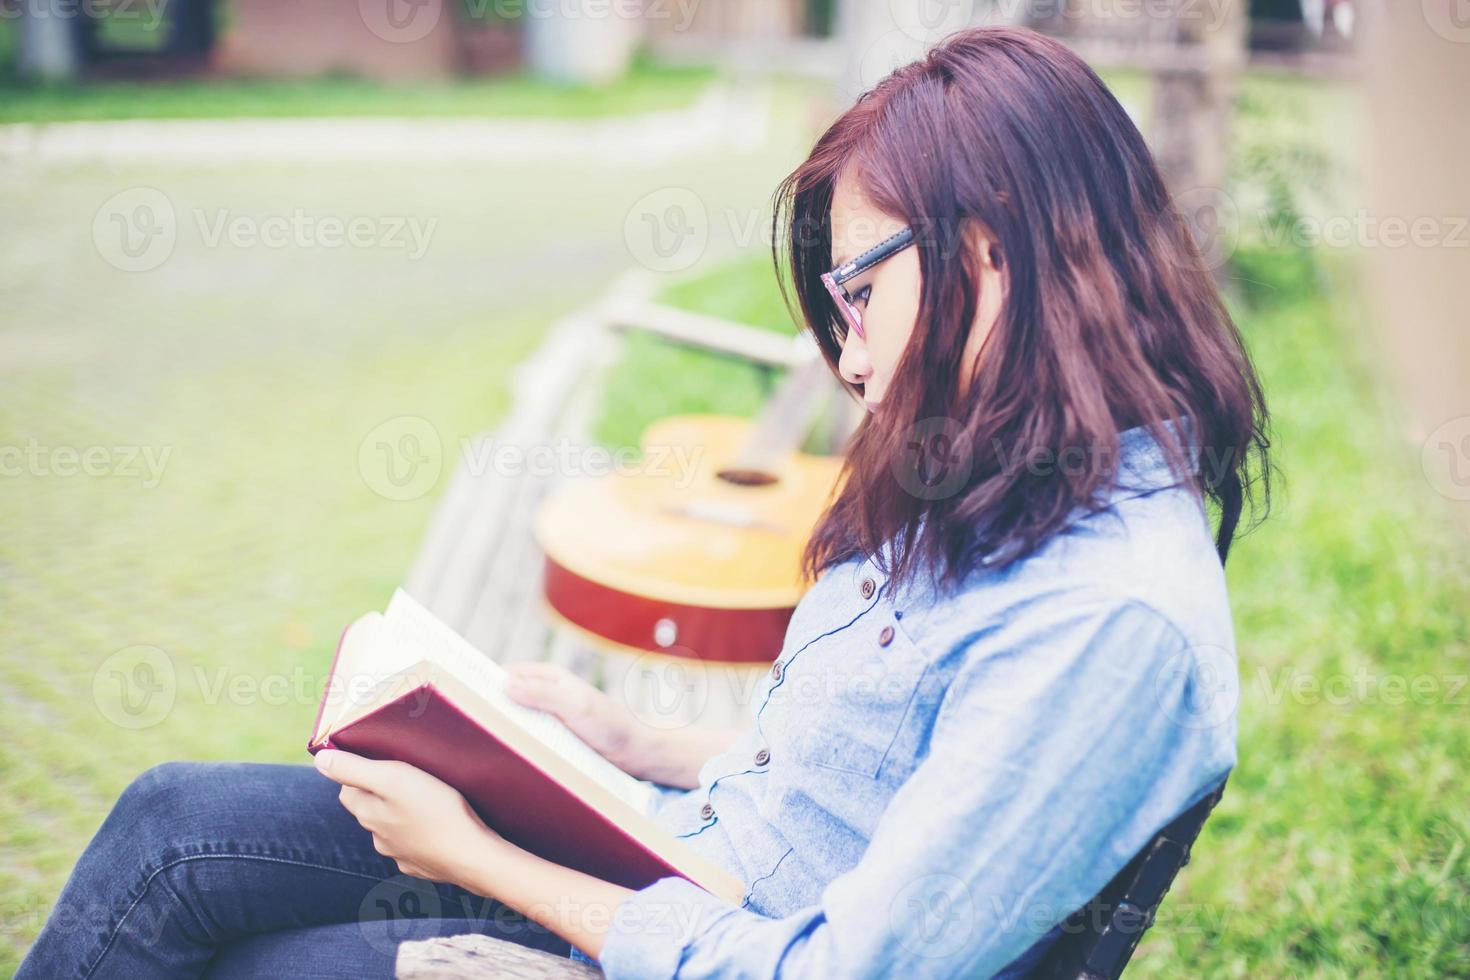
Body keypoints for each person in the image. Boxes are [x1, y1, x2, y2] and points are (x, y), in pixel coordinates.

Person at [16, 25, 1269, 979]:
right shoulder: (1018, 477)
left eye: (858, 295)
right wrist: (622, 741)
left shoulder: (1109, 622)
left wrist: (483, 857)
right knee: (174, 820)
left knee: (229, 950)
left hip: (683, 940)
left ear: (989, 258)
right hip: (674, 856)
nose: (850, 356)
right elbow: (873, 787)